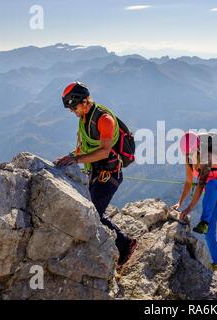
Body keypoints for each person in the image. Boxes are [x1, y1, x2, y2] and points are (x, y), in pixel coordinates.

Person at [55, 82, 137, 266]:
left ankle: (125, 244)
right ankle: (120, 243)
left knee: (92, 214)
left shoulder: (104, 119)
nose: (71, 111)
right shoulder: (85, 118)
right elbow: (84, 145)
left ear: (83, 102)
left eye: (72, 107)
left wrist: (76, 159)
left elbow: (104, 151)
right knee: (93, 211)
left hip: (110, 176)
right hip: (97, 173)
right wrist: (71, 156)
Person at [173, 132, 217, 271]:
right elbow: (189, 182)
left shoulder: (207, 157)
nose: (190, 155)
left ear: (198, 148)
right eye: (187, 153)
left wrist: (188, 209)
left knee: (211, 184)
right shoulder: (188, 160)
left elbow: (201, 185)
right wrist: (180, 203)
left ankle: (204, 222)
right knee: (209, 234)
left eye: (192, 152)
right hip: (213, 194)